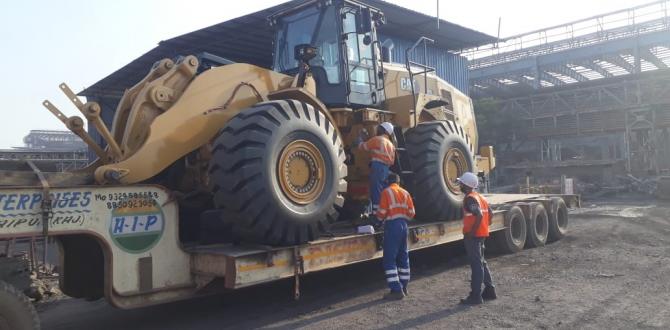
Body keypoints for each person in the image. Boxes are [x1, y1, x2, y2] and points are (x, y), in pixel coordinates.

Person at [457, 172, 497, 305]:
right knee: (482, 262)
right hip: (482, 234)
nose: (459, 185)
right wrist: (485, 225)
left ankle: (475, 296)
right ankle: (490, 290)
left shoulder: (470, 199)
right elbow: (490, 213)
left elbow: (479, 214)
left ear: (467, 185)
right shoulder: (480, 197)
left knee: (476, 265)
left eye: (461, 183)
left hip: (474, 236)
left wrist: (472, 232)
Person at [375, 172, 415, 300]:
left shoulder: (386, 192)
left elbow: (381, 213)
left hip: (392, 226)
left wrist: (376, 221)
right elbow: (412, 213)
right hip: (404, 225)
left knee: (389, 259)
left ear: (388, 182)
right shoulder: (405, 193)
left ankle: (396, 290)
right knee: (403, 256)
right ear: (398, 182)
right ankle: (404, 287)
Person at [356, 122, 396, 216]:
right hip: (386, 169)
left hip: (377, 168)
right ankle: (384, 213)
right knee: (383, 191)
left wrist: (359, 140)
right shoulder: (391, 145)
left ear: (384, 130)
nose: (378, 129)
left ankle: (376, 214)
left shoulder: (377, 139)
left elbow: (363, 147)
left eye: (380, 128)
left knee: (376, 191)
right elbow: (392, 161)